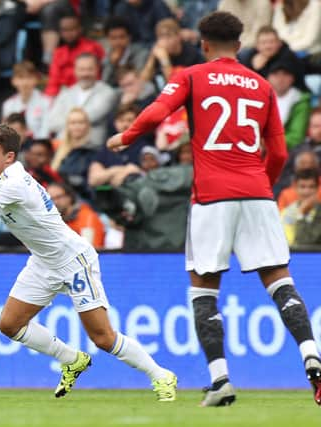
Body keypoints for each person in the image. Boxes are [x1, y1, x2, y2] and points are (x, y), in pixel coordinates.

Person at [107, 11, 321, 407]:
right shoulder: (261, 85)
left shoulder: (191, 75)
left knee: (203, 287)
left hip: (212, 195)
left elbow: (157, 111)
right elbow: (278, 151)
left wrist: (127, 135)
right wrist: (264, 186)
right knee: (279, 280)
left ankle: (220, 379)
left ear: (204, 44)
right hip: (257, 191)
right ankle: (311, 352)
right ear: (240, 46)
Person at [0, 121, 177, 401]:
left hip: (73, 260)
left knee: (102, 337)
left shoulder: (15, 184)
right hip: (43, 261)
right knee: (10, 324)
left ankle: (161, 375)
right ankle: (71, 359)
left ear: (10, 157)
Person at [48, 181, 105, 248]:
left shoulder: (87, 217)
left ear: (69, 197)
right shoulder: (53, 219)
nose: (55, 202)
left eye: (58, 197)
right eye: (51, 199)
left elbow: (88, 248)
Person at [281, 168, 321, 249]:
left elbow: (305, 244)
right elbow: (288, 244)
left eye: (311, 187)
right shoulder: (287, 212)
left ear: (317, 189)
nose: (307, 191)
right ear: (295, 188)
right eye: (302, 187)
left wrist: (301, 214)